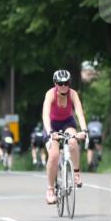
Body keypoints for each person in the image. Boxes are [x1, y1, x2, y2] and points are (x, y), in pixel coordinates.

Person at [42, 69, 87, 205]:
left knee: (73, 142)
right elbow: (45, 114)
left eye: (66, 83)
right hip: (52, 125)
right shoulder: (50, 94)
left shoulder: (73, 94)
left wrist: (84, 130)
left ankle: (77, 173)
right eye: (60, 83)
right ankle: (50, 189)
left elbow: (79, 112)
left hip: (67, 122)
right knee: (54, 155)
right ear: (55, 83)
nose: (63, 86)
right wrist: (50, 132)